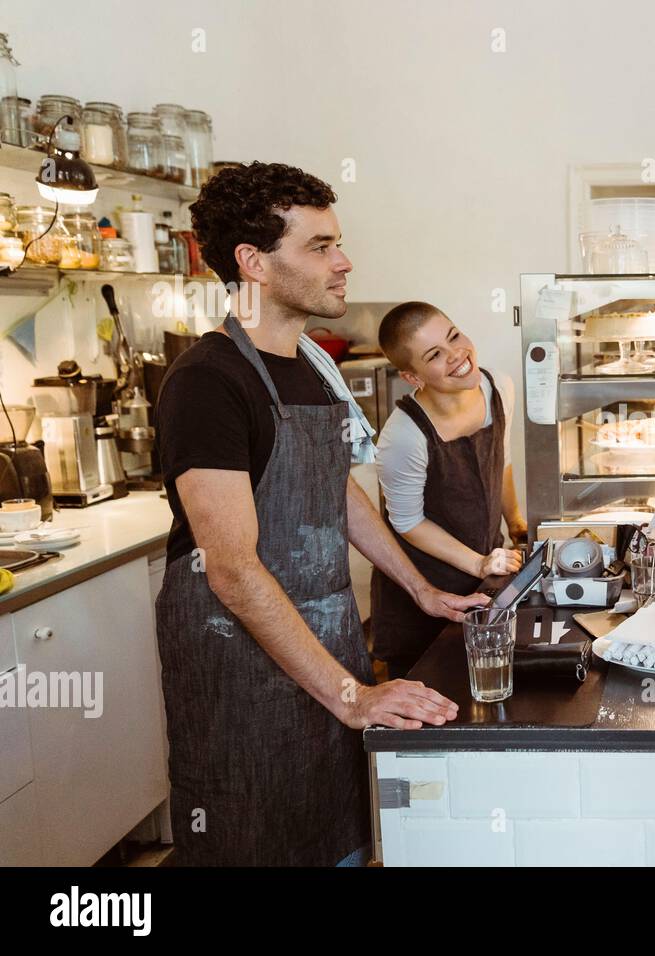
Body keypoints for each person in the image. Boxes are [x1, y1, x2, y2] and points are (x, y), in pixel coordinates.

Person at [155, 162, 484, 867]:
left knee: (337, 837)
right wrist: (350, 695)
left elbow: (336, 491)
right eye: (319, 246)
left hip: (328, 650)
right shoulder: (209, 381)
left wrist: (418, 587)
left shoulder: (310, 365)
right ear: (254, 263)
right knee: (258, 842)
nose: (344, 261)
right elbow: (234, 569)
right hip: (240, 671)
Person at [370, 302, 528, 678]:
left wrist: (517, 524)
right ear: (412, 376)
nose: (457, 355)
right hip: (422, 593)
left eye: (453, 335)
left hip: (485, 578)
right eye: (434, 355)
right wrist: (478, 561)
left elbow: (500, 461)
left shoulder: (498, 387)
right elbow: (407, 522)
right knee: (432, 707)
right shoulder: (403, 436)